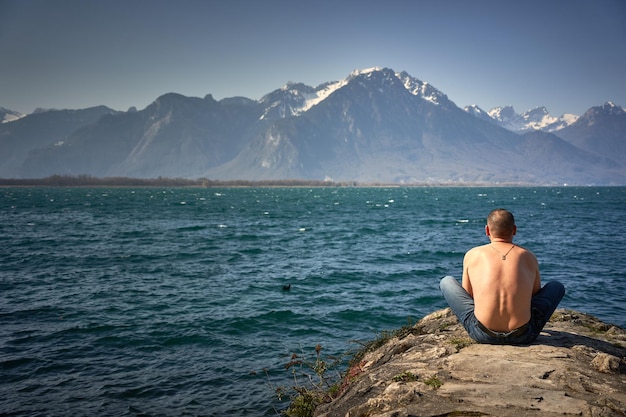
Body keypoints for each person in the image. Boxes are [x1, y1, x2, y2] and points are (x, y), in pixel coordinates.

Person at [440, 208, 565, 344]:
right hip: (523, 335)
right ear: (514, 230)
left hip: (483, 333)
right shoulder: (528, 256)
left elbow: (469, 295)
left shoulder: (473, 254)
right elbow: (533, 297)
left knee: (447, 281)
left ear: (487, 230)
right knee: (556, 286)